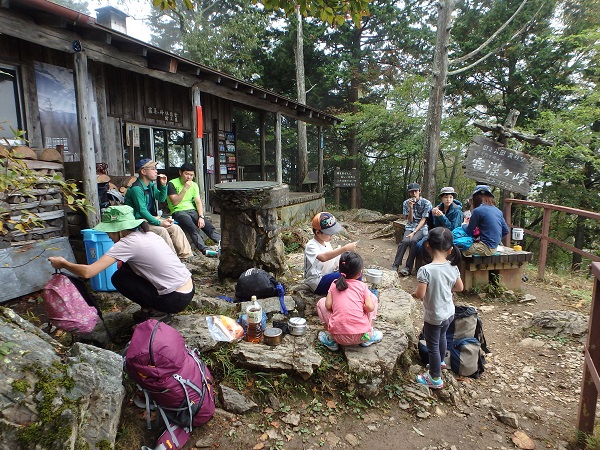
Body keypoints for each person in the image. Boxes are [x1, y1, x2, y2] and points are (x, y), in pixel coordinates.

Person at [48, 205, 195, 321]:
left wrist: (63, 263)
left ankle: (158, 312)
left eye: (109, 232)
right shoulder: (148, 234)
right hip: (188, 288)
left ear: (119, 230)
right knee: (124, 269)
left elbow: (88, 272)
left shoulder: (127, 243)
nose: (109, 236)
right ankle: (154, 307)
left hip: (175, 299)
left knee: (118, 278)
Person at [412, 227, 464, 389]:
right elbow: (460, 287)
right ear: (450, 250)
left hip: (434, 316)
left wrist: (414, 294)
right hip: (449, 312)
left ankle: (435, 378)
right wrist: (445, 288)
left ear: (427, 245)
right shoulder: (452, 267)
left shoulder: (426, 270)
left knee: (432, 345)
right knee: (442, 338)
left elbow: (420, 294)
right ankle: (440, 362)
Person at [124, 158, 192, 259]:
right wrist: (159, 223)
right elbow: (142, 211)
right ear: (143, 171)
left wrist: (163, 185)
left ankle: (186, 256)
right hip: (137, 221)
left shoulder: (150, 185)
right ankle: (171, 260)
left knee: (175, 228)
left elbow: (161, 197)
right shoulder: (136, 189)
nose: (156, 171)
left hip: (149, 218)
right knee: (162, 230)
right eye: (153, 169)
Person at [316, 251, 382, 351]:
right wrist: (361, 306)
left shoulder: (334, 284)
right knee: (372, 298)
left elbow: (328, 306)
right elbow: (370, 307)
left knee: (321, 302)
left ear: (340, 270)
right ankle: (369, 336)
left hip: (338, 337)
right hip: (363, 335)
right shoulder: (362, 286)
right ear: (359, 273)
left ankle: (330, 339)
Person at [167, 163, 221, 255]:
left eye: (191, 175)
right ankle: (205, 250)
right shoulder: (172, 183)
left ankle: (222, 243)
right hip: (178, 211)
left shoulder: (194, 185)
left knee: (207, 225)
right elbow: (175, 202)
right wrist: (185, 189)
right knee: (191, 226)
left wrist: (201, 217)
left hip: (191, 210)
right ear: (180, 173)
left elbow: (198, 202)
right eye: (186, 174)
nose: (189, 177)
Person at [304, 212, 358, 295]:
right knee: (350, 275)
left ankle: (352, 294)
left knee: (356, 271)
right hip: (318, 282)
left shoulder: (327, 243)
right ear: (318, 232)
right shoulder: (311, 245)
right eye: (329, 234)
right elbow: (323, 257)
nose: (332, 236)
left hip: (329, 274)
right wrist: (344, 248)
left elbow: (333, 260)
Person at [392, 182, 432, 276]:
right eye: (411, 192)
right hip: (410, 226)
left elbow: (424, 220)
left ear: (419, 191)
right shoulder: (406, 203)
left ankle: (408, 267)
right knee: (405, 241)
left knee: (413, 241)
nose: (414, 193)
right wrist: (411, 208)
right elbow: (409, 220)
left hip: (422, 228)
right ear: (409, 193)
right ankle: (396, 264)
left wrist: (414, 232)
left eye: (416, 191)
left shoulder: (427, 203)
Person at [462, 185, 509, 256]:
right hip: (494, 248)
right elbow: (506, 231)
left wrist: (464, 225)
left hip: (485, 247)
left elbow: (469, 231)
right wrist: (494, 241)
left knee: (459, 248)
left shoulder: (477, 211)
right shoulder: (498, 211)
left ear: (476, 198)